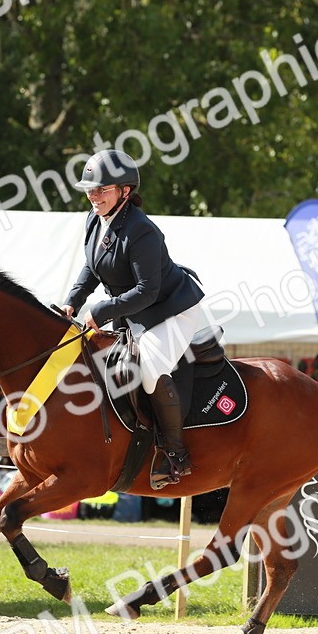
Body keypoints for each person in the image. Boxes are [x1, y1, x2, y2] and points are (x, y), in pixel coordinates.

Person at [62, 149, 206, 486]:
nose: (93, 196)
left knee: (151, 368)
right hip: (134, 312)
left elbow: (147, 291)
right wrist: (73, 301)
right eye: (89, 190)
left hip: (170, 309)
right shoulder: (95, 219)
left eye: (101, 190)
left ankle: (175, 453)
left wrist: (100, 310)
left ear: (125, 191)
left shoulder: (143, 232)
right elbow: (92, 266)